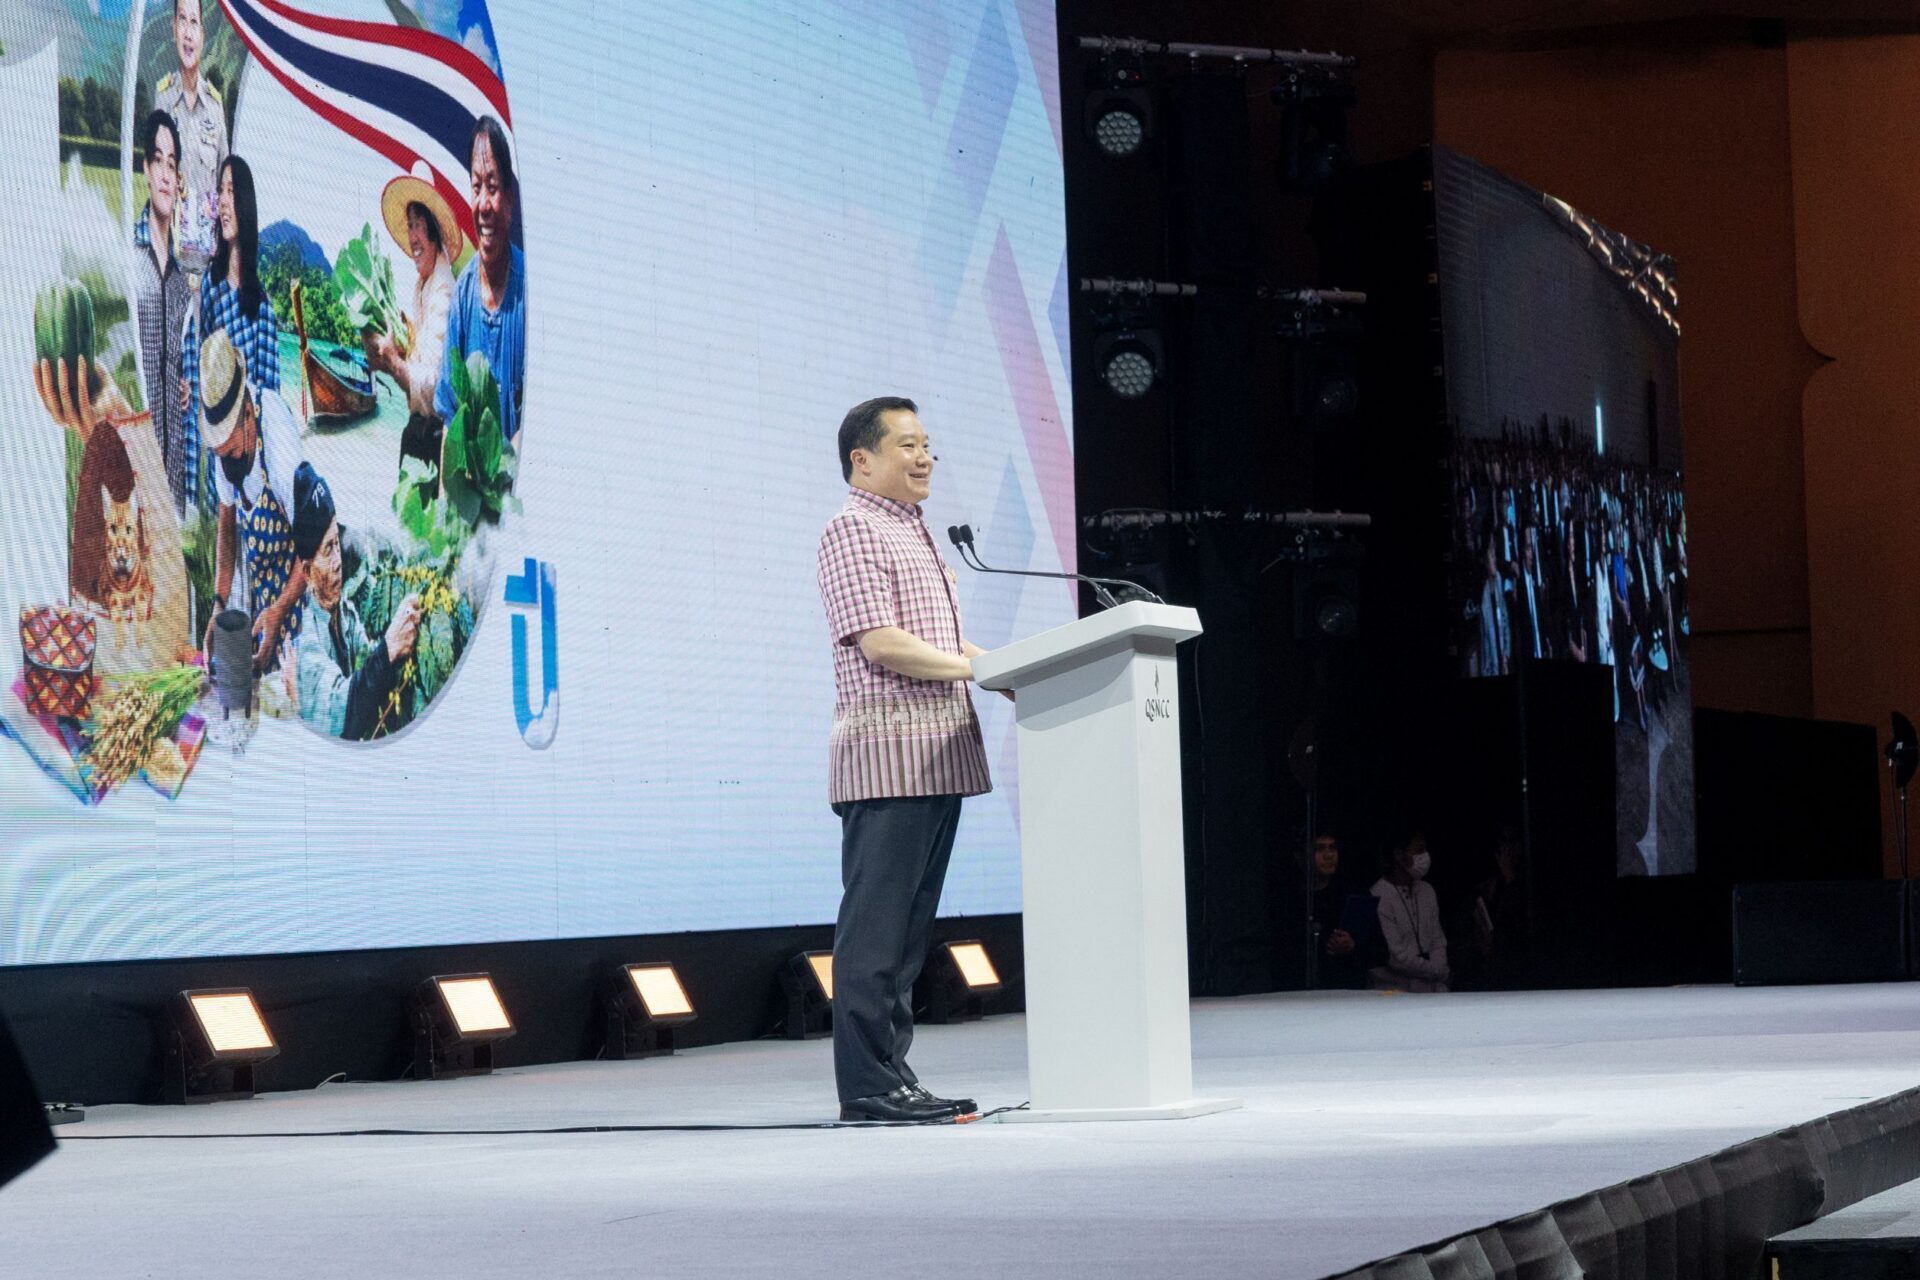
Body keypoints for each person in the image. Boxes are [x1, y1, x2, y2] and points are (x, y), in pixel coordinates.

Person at [816, 396, 990, 1123]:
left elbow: (944, 645)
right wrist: (974, 669)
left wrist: (1007, 667)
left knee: (907, 939)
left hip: (937, 755)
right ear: (862, 459)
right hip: (889, 758)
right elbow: (881, 642)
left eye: (927, 446)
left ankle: (894, 1077)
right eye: (908, 445)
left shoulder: (915, 531)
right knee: (876, 934)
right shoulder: (852, 529)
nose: (924, 458)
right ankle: (867, 1086)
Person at [281, 464, 420, 741]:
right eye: (327, 550)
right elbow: (344, 715)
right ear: (307, 572)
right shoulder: (308, 641)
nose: (338, 562)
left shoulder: (344, 613)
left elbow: (366, 663)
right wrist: (390, 647)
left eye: (337, 544)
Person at [197, 331, 304, 670]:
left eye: (230, 451)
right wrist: (218, 603)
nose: (226, 461)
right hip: (265, 588)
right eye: (220, 454)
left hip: (302, 582)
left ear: (247, 414)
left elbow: (312, 545)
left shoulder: (279, 446)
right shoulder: (225, 440)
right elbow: (227, 528)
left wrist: (281, 608)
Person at [182, 155, 279, 514]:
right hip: (217, 457)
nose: (223, 202)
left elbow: (271, 399)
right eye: (220, 191)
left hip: (253, 462)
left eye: (231, 191)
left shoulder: (262, 306)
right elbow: (195, 364)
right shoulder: (209, 285)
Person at [434, 116, 525, 446]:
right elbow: (450, 420)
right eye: (476, 187)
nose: (483, 204)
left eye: (493, 187)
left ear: (510, 201)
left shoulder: (529, 294)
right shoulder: (462, 295)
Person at [367, 170, 460, 472]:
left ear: (433, 230)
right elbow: (417, 359)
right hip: (419, 426)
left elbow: (434, 384)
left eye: (418, 225)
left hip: (436, 434)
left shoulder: (443, 287)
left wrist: (395, 363)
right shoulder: (422, 285)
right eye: (410, 226)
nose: (412, 237)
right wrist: (390, 356)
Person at [132, 109, 193, 515]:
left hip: (175, 474)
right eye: (158, 161)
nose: (166, 175)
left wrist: (183, 384)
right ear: (145, 169)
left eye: (172, 165)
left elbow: (183, 360)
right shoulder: (129, 256)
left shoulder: (183, 274)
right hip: (137, 471)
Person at [154, 0, 228, 273]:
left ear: (202, 35)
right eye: (182, 20)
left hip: (209, 265)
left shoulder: (215, 106)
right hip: (172, 264)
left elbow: (225, 183)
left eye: (194, 22)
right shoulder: (163, 99)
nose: (188, 32)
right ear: (174, 28)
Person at [1369, 832, 1450, 992]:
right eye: (1419, 851)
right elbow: (1396, 957)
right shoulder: (1379, 894)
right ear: (1399, 855)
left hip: (1432, 989)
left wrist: (1440, 970)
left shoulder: (1427, 891)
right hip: (1393, 991)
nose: (1425, 856)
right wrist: (1436, 970)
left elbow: (1437, 940)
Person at [1308, 833, 1366, 990]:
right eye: (1319, 849)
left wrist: (1352, 945)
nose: (1328, 855)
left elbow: (1380, 950)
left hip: (1345, 990)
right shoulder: (1289, 898)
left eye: (1332, 848)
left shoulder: (1352, 895)